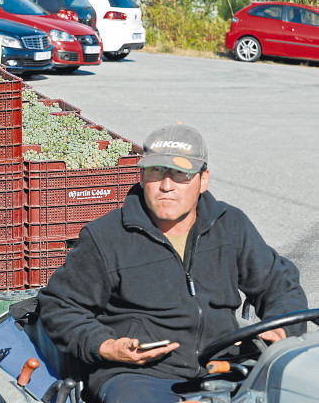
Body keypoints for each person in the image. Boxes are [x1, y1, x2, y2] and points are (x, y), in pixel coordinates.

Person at [38, 123, 308, 403]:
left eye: (181, 174)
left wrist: (280, 328)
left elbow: (279, 284)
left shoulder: (230, 225)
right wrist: (106, 346)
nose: (167, 186)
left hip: (224, 364)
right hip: (138, 375)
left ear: (203, 180)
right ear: (142, 177)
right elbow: (60, 306)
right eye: (156, 172)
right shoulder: (105, 237)